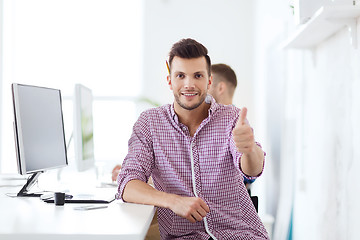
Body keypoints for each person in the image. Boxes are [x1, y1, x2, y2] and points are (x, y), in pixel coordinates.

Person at [116, 38, 269, 240]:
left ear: (209, 80)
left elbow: (252, 169)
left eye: (198, 76)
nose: (189, 84)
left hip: (242, 234)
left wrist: (249, 149)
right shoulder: (150, 123)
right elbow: (127, 184)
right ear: (170, 80)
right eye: (181, 75)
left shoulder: (232, 117)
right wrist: (173, 201)